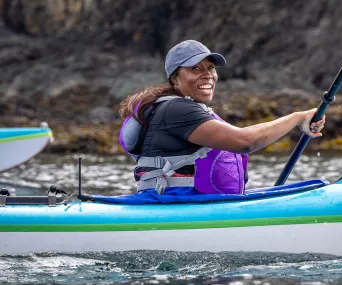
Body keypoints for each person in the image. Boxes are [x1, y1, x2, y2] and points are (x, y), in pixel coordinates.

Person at [119, 40, 325, 195]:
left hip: (190, 201)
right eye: (195, 68)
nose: (207, 74)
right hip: (174, 204)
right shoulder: (176, 110)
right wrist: (298, 118)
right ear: (175, 78)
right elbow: (245, 141)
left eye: (210, 68)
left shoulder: (181, 107)